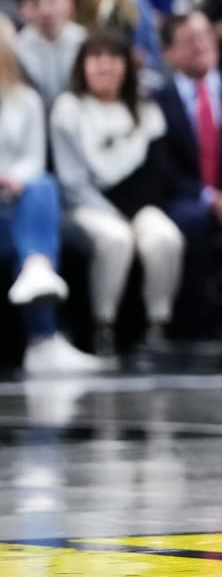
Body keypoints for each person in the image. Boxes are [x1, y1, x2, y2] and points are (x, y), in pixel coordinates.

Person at [49, 32, 184, 358]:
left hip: (139, 204)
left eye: (113, 58)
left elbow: (156, 173)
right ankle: (103, 326)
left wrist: (133, 215)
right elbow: (71, 183)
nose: (104, 66)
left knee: (165, 237)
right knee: (116, 238)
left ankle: (157, 325)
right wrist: (116, 216)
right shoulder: (68, 110)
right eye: (96, 58)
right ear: (82, 66)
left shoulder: (145, 111)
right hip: (85, 206)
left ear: (126, 66)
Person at [0, 18, 103, 375]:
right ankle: (43, 338)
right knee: (39, 210)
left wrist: (13, 178)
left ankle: (36, 270)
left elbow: (33, 158)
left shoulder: (26, 100)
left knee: (42, 184)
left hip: (14, 201)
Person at [156, 11, 222, 338]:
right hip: (188, 195)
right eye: (189, 40)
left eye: (205, 36)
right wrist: (210, 199)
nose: (201, 45)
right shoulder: (158, 102)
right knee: (192, 220)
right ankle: (197, 329)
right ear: (169, 53)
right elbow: (163, 171)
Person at [14, 0, 87, 104]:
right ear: (21, 9)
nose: (45, 11)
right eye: (34, 2)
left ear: (69, 1)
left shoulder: (85, 41)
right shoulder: (15, 49)